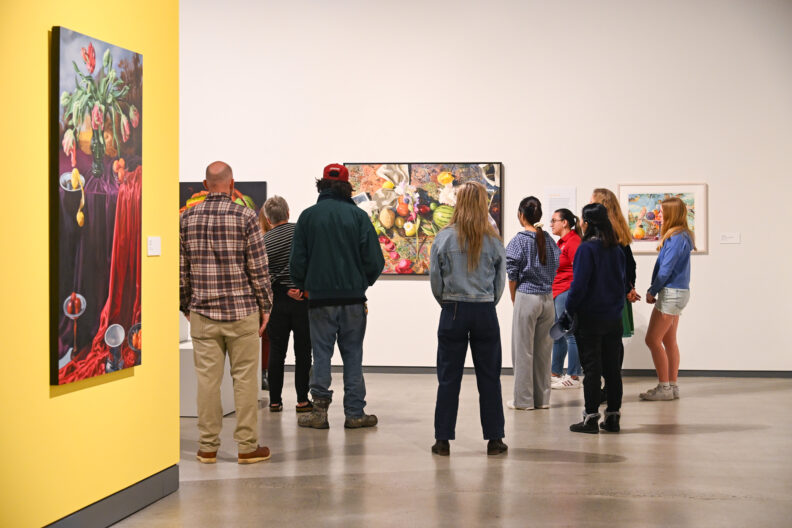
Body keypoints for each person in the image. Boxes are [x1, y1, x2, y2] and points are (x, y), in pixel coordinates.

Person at [180, 161, 273, 464]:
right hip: (241, 311)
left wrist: (186, 306)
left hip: (203, 314)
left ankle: (207, 446)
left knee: (207, 380)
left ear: (205, 185)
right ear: (232, 184)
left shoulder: (186, 218)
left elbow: (181, 272)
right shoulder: (245, 216)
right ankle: (246, 447)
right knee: (244, 380)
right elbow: (258, 270)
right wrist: (266, 307)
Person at [290, 163, 384, 429]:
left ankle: (319, 414)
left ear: (322, 186)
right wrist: (360, 282)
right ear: (346, 188)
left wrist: (303, 284)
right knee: (353, 357)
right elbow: (375, 261)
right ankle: (354, 413)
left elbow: (297, 261)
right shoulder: (358, 217)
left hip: (319, 301)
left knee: (320, 356)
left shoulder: (308, 217)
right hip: (354, 302)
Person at [430, 181, 507, 456]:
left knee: (448, 377)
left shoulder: (444, 237)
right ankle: (495, 439)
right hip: (485, 311)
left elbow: (435, 281)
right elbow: (500, 282)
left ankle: (442, 439)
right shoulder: (493, 239)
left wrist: (448, 302)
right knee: (490, 377)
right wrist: (487, 302)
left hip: (453, 310)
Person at [564, 203, 627, 433]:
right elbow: (621, 284)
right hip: (613, 318)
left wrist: (569, 310)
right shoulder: (617, 249)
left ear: (587, 223)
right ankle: (613, 418)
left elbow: (579, 286)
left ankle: (590, 418)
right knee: (612, 370)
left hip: (590, 318)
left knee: (591, 369)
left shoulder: (586, 249)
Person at [506, 197, 560, 410]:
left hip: (527, 297)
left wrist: (513, 297)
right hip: (548, 299)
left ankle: (524, 400)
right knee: (544, 351)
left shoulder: (519, 240)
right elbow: (556, 264)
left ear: (521, 215)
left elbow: (512, 274)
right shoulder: (548, 238)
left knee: (522, 351)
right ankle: (542, 400)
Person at [640, 197, 695, 401]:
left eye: (662, 212)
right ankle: (672, 386)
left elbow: (665, 270)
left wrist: (652, 290)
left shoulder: (675, 238)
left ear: (672, 214)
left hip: (671, 293)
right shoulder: (684, 236)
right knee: (669, 340)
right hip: (680, 292)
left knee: (652, 340)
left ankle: (664, 388)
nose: (658, 215)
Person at [261, 196, 313, 413]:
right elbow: (311, 262)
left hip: (278, 302)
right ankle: (302, 400)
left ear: (268, 218)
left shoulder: (264, 241)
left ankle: (274, 400)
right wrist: (301, 288)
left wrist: (283, 289)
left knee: (277, 352)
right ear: (288, 212)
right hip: (303, 300)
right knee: (303, 352)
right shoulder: (301, 233)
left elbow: (263, 275)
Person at [591, 188, 640, 403]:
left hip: (605, 295)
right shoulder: (619, 229)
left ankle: (608, 387)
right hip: (618, 292)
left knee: (604, 342)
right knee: (613, 341)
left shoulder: (604, 232)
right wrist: (630, 287)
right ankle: (611, 385)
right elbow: (630, 264)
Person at [549, 208, 582, 389]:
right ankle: (556, 373)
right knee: (558, 334)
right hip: (558, 292)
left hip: (566, 292)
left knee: (570, 333)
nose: (551, 224)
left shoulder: (573, 242)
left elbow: (580, 271)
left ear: (565, 222)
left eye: (554, 220)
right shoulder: (562, 242)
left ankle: (574, 376)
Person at [258, 210, 273, 391]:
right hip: (269, 292)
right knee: (266, 336)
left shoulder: (261, 239)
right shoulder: (262, 239)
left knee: (265, 336)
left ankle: (263, 373)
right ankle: (264, 373)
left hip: (264, 293)